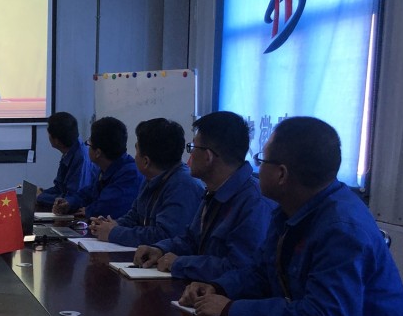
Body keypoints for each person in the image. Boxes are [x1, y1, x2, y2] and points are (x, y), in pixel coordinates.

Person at [179, 117, 403, 316]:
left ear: (281, 174)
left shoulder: (341, 229)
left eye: (262, 160)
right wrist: (218, 287)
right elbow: (262, 273)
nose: (257, 167)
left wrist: (231, 310)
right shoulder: (289, 210)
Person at [133, 111, 272, 282]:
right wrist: (160, 249)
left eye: (192, 148)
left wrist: (180, 263)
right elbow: (191, 240)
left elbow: (240, 269)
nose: (189, 155)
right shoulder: (214, 190)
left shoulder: (254, 203)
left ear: (208, 156)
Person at [91, 117, 204, 246]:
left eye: (136, 150)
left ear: (146, 161)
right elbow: (134, 216)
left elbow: (163, 236)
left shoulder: (184, 186)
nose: (134, 156)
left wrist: (114, 233)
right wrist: (111, 225)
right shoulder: (151, 177)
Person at [53, 116, 142, 219]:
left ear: (98, 153)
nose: (87, 147)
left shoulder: (130, 174)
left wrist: (89, 210)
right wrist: (69, 202)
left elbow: (107, 208)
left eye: (89, 144)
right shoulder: (105, 168)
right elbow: (89, 193)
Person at [36, 111, 95, 207]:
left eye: (49, 133)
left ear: (57, 141)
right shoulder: (70, 151)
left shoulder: (81, 158)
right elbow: (59, 188)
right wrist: (43, 194)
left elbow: (70, 199)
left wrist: (41, 197)